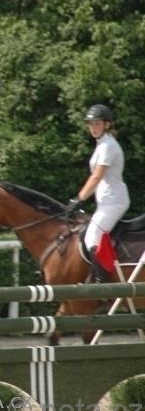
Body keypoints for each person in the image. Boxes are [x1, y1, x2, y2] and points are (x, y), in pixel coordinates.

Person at [66, 104, 130, 282]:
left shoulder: (108, 146)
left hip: (114, 202)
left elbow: (97, 176)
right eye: (90, 124)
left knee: (92, 238)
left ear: (107, 124)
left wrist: (78, 199)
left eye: (97, 123)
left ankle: (102, 284)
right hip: (106, 202)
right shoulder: (102, 145)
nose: (93, 128)